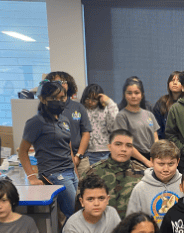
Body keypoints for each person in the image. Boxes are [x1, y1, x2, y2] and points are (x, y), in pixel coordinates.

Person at [19, 80, 78, 219]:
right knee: (74, 215)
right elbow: (22, 152)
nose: (59, 101)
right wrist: (31, 177)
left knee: (77, 214)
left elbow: (67, 147)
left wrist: (75, 171)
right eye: (53, 98)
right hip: (54, 174)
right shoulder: (36, 122)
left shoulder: (64, 120)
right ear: (43, 99)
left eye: (62, 97)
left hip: (71, 173)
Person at [82, 129, 147, 219]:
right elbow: (81, 209)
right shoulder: (92, 173)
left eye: (128, 145)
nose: (123, 149)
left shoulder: (143, 174)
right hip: (100, 228)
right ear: (109, 147)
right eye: (118, 144)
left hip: (132, 228)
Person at [47, 71, 93, 177]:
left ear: (69, 85)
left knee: (84, 190)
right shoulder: (47, 108)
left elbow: (86, 133)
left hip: (81, 159)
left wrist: (78, 157)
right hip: (58, 161)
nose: (60, 84)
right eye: (56, 82)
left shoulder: (78, 107)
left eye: (63, 81)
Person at [126, 140, 183, 225]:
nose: (166, 169)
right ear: (152, 161)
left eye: (171, 164)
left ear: (178, 161)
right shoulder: (140, 189)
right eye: (161, 164)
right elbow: (131, 223)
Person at [114, 76, 159, 167]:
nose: (133, 96)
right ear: (124, 95)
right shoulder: (121, 116)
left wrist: (155, 158)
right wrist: (146, 162)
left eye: (136, 93)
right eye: (129, 93)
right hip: (133, 160)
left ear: (142, 95)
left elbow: (156, 139)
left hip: (151, 158)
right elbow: (126, 144)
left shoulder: (149, 114)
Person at [79, 83, 119, 166]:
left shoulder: (105, 109)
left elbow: (114, 125)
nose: (90, 102)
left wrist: (109, 102)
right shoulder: (81, 110)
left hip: (106, 151)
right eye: (88, 99)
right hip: (88, 152)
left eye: (94, 100)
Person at [152, 71, 183, 140]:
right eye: (172, 80)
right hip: (166, 144)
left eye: (178, 80)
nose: (175, 83)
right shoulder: (162, 102)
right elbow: (157, 128)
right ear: (168, 84)